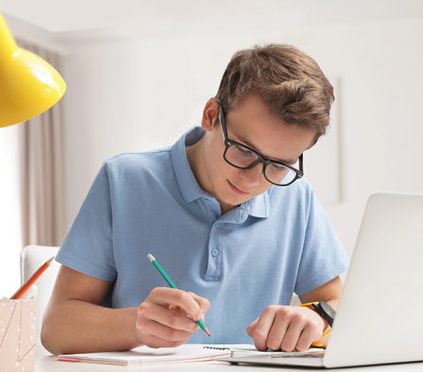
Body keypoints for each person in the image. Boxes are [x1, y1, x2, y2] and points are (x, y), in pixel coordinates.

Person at [41, 44, 349, 355]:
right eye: (243, 150)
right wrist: (137, 324)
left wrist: (315, 318)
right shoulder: (123, 179)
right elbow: (57, 328)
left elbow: (340, 306)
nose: (254, 179)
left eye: (279, 165)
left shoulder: (296, 195)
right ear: (211, 115)